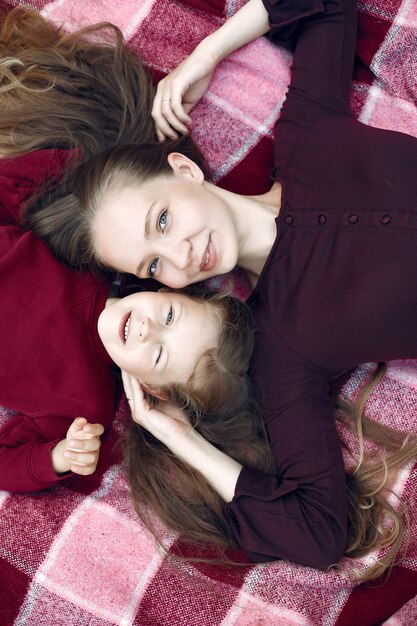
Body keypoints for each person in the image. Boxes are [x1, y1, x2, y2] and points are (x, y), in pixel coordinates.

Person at [24, 0, 417, 579]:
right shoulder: (285, 345)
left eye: (161, 220)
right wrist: (178, 438)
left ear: (184, 171)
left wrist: (204, 56)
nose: (179, 253)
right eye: (155, 265)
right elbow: (319, 532)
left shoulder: (307, 134)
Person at [0, 149, 257, 494]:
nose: (147, 329)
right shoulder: (93, 255)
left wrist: (58, 457)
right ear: (171, 291)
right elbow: (71, 186)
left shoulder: (85, 411)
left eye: (158, 355)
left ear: (151, 388)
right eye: (169, 316)